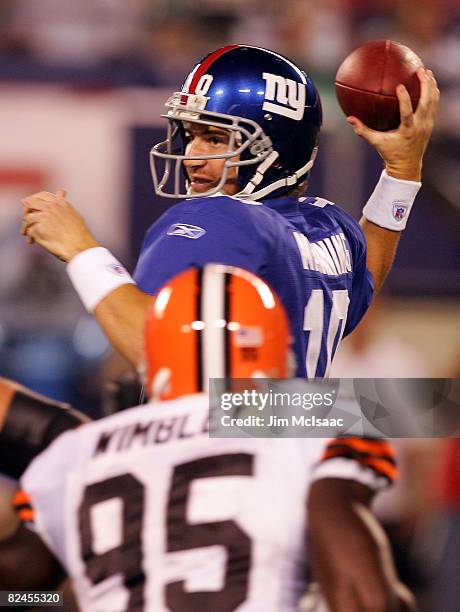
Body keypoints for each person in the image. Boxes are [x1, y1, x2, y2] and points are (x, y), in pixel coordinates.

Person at [0, 265, 415, 611]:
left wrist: (71, 598)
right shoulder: (315, 422)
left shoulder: (76, 454)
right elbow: (364, 598)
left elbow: (19, 586)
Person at [20, 45, 439, 380]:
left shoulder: (218, 218)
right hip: (290, 457)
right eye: (190, 135)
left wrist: (82, 250)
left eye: (215, 138)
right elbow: (362, 283)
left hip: (217, 470)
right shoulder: (330, 225)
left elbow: (157, 349)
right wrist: (401, 173)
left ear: (275, 149)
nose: (191, 156)